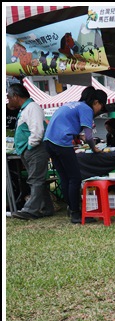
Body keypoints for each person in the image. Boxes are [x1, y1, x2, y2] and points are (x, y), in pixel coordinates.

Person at [43, 85, 108, 224]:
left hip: (48, 142)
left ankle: (71, 209)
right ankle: (76, 213)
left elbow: (65, 123)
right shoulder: (86, 109)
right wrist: (94, 148)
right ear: (96, 102)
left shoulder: (72, 104)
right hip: (61, 142)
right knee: (75, 178)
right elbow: (90, 135)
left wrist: (80, 136)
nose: (99, 112)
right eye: (101, 108)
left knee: (65, 178)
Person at [7, 83, 54, 221]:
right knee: (38, 180)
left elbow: (38, 130)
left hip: (35, 150)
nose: (8, 100)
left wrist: (29, 145)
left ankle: (30, 210)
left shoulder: (32, 108)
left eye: (9, 97)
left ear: (16, 96)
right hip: (30, 150)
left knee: (35, 180)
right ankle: (47, 208)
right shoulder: (26, 108)